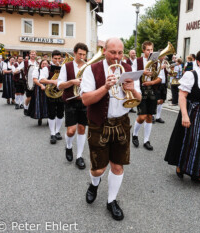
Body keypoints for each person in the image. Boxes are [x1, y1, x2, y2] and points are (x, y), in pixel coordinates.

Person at [81, 37, 141, 221]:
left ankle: (111, 201)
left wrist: (133, 89)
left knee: (117, 165)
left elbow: (137, 99)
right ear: (104, 51)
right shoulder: (92, 69)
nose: (117, 57)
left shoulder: (129, 69)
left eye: (120, 52)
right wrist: (105, 87)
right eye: (112, 52)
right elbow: (86, 100)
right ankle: (94, 183)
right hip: (99, 123)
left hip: (121, 122)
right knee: (98, 169)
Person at [165, 49, 200, 184]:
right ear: (198, 62)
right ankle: (181, 165)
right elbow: (182, 96)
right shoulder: (191, 75)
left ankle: (198, 172)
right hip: (193, 111)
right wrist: (184, 115)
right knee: (190, 140)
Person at [57, 43, 88, 170]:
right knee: (71, 131)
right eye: (80, 54)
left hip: (83, 101)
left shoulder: (88, 66)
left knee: (82, 128)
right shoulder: (66, 66)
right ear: (74, 53)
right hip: (70, 100)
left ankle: (79, 156)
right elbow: (59, 85)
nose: (82, 57)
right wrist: (72, 82)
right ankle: (69, 146)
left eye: (84, 55)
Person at [131, 41, 161, 151]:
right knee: (142, 116)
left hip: (152, 90)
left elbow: (160, 77)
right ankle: (135, 134)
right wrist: (142, 72)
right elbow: (133, 74)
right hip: (140, 90)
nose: (150, 52)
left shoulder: (156, 61)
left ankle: (146, 140)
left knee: (149, 116)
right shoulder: (137, 61)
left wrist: (152, 82)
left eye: (151, 50)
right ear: (143, 50)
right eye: (148, 50)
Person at [39, 50, 64, 144]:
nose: (57, 60)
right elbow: (41, 80)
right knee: (52, 113)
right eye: (55, 58)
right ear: (51, 58)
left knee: (61, 113)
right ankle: (52, 133)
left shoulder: (64, 67)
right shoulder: (47, 68)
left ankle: (57, 131)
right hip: (50, 93)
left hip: (61, 93)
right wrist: (53, 81)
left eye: (59, 58)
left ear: (61, 58)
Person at [28, 59, 48, 125]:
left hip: (48, 87)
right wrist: (41, 85)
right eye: (43, 64)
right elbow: (35, 80)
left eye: (46, 64)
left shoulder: (49, 70)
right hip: (39, 88)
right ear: (40, 64)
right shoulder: (37, 70)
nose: (44, 65)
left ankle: (49, 119)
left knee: (49, 103)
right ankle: (40, 118)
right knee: (40, 103)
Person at [24, 50, 39, 116]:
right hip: (28, 81)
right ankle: (25, 107)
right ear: (29, 55)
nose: (33, 55)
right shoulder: (26, 62)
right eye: (32, 54)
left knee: (34, 97)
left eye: (34, 54)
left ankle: (31, 110)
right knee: (29, 97)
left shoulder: (37, 63)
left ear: (36, 55)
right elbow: (19, 68)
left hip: (35, 81)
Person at [154, 56, 167, 123]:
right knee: (156, 100)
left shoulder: (165, 62)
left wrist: (169, 70)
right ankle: (152, 115)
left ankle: (158, 117)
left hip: (163, 84)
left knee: (162, 100)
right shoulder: (155, 63)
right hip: (157, 84)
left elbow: (166, 72)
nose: (164, 57)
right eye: (163, 55)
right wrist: (160, 68)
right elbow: (152, 72)